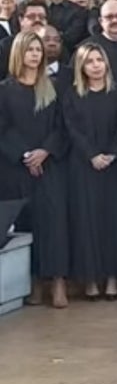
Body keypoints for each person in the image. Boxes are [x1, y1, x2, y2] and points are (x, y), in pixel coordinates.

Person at [0, 32, 69, 308]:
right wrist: (25, 154)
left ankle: (58, 282)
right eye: (29, 50)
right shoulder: (4, 90)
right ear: (19, 53)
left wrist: (45, 151)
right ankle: (33, 284)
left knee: (54, 224)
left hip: (49, 165)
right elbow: (3, 128)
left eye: (38, 50)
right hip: (16, 168)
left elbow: (62, 126)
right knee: (26, 224)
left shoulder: (52, 88)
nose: (35, 55)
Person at [63, 43, 117, 301]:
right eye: (90, 61)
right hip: (83, 165)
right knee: (87, 222)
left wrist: (111, 153)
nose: (96, 65)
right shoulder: (72, 94)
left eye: (100, 60)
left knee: (111, 221)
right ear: (81, 66)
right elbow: (71, 128)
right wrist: (91, 155)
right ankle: (90, 280)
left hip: (113, 165)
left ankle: (111, 278)